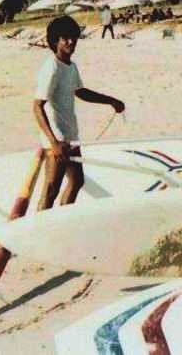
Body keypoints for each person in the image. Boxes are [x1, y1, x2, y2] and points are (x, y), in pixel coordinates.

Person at [33, 16, 124, 210]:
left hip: (70, 135)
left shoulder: (70, 66)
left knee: (77, 181)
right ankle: (42, 228)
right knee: (51, 189)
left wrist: (111, 101)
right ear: (55, 41)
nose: (71, 42)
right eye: (65, 38)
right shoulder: (52, 68)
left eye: (74, 38)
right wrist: (53, 143)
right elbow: (37, 106)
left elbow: (80, 92)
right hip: (58, 139)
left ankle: (62, 219)